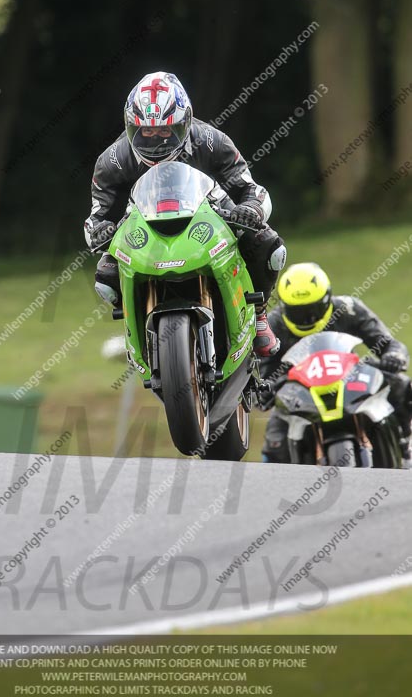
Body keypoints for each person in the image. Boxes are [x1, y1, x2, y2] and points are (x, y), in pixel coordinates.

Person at [84, 71, 287, 356]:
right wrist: (100, 231)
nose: (155, 140)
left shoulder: (211, 141)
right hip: (143, 227)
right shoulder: (113, 161)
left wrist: (250, 209)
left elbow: (250, 188)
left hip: (209, 215)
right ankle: (136, 330)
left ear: (184, 122)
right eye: (146, 132)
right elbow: (97, 214)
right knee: (106, 277)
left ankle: (259, 313)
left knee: (269, 245)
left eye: (165, 131)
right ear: (131, 127)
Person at [260, 261, 412, 464]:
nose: (307, 318)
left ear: (327, 298)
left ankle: (405, 445)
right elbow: (264, 370)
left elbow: (389, 344)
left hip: (349, 378)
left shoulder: (349, 308)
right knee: (275, 443)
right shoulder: (273, 324)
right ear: (284, 306)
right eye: (297, 311)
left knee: (402, 384)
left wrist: (394, 356)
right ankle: (273, 476)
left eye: (313, 309)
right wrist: (267, 388)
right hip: (298, 390)